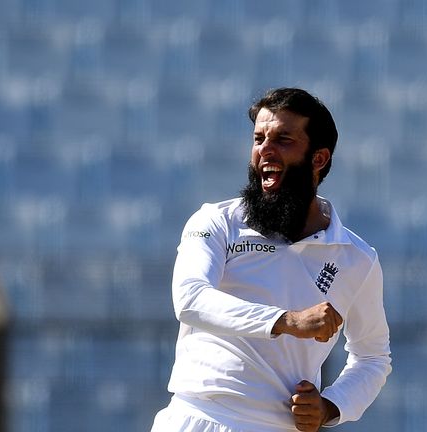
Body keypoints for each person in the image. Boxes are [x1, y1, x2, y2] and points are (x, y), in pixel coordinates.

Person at [151, 88, 392, 432]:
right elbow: (190, 300)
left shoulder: (357, 258)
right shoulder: (215, 222)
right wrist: (287, 321)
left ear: (318, 158)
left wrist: (331, 406)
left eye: (283, 139)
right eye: (259, 138)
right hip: (198, 418)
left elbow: (372, 357)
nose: (265, 149)